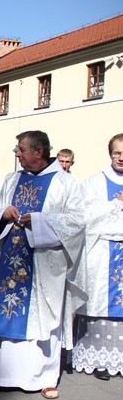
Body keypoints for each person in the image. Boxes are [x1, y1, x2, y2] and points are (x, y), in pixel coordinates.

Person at [0, 131, 84, 399]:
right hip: (7, 261)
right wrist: (3, 213)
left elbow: (76, 222)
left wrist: (38, 222)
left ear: (39, 152)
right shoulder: (12, 179)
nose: (17, 154)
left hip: (43, 266)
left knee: (40, 317)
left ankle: (41, 376)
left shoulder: (66, 184)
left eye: (21, 150)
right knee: (4, 308)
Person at [72, 133, 123, 381]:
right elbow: (84, 216)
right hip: (103, 250)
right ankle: (99, 360)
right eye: (117, 152)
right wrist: (115, 205)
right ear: (110, 153)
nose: (121, 157)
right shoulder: (94, 182)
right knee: (100, 303)